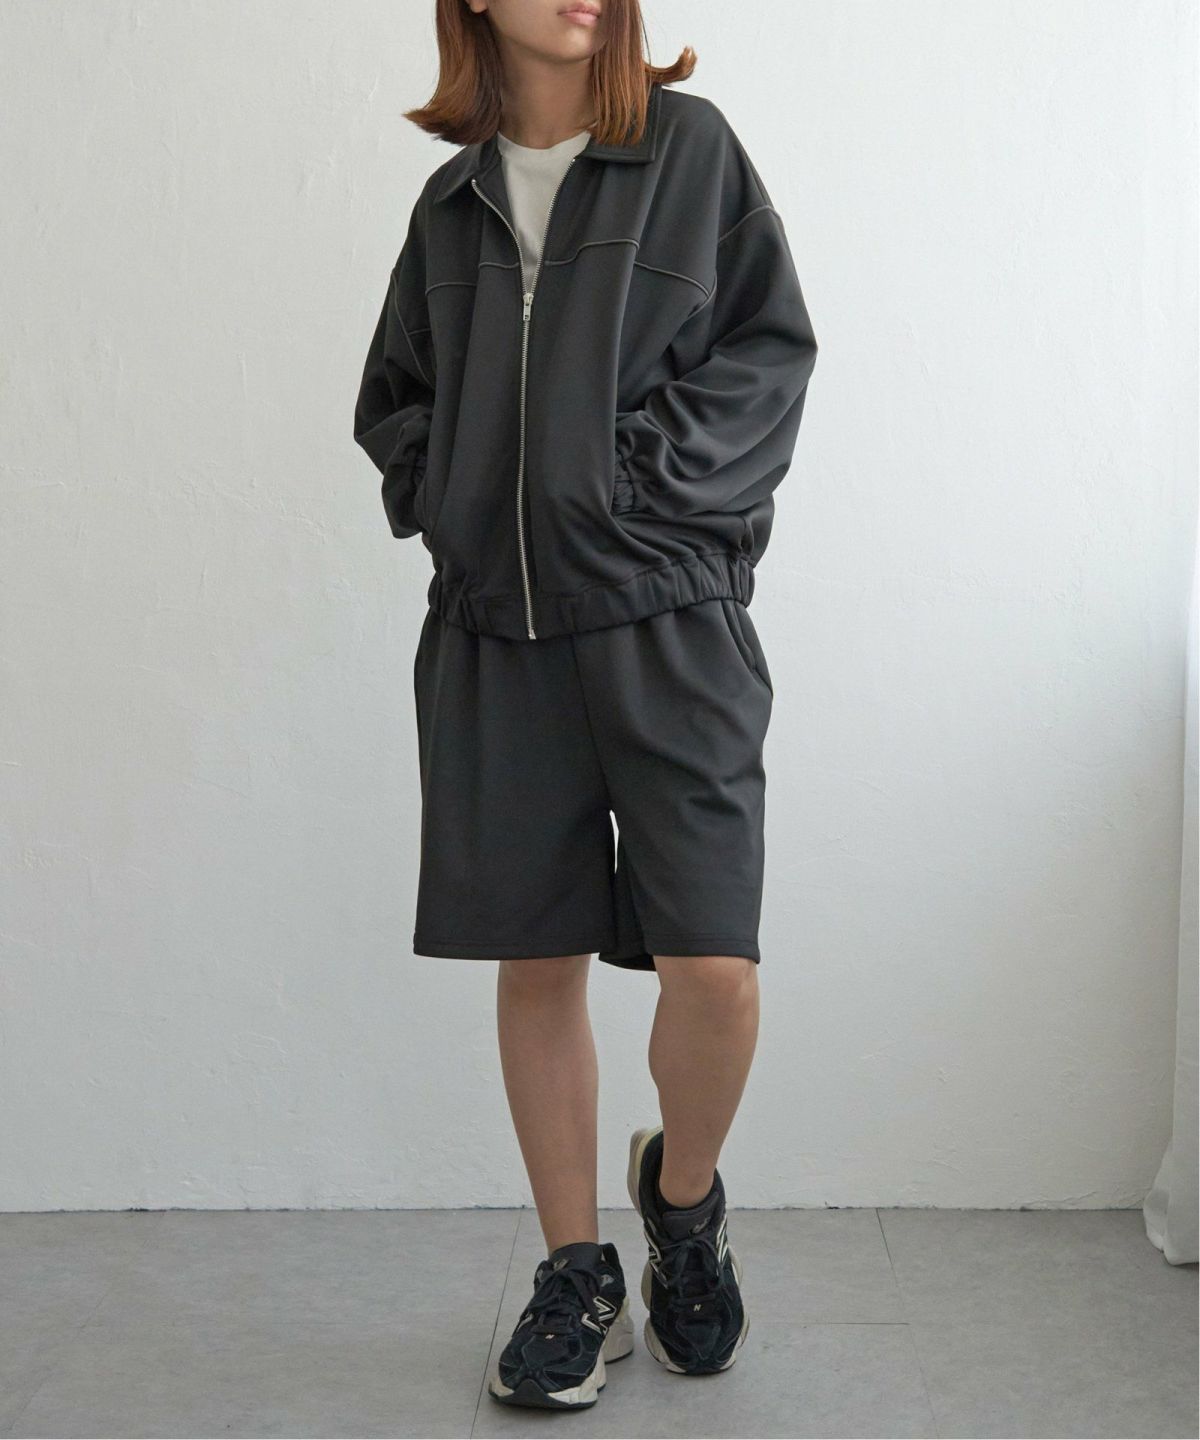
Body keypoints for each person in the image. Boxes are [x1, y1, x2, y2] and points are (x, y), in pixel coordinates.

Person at [353, 0, 818, 1412]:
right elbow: (395, 400)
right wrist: (455, 498)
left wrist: (623, 489)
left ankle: (682, 1204)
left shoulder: (689, 150)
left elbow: (767, 354)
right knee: (538, 956)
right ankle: (574, 1271)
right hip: (497, 636)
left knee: (714, 965)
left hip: (670, 621)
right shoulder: (453, 204)